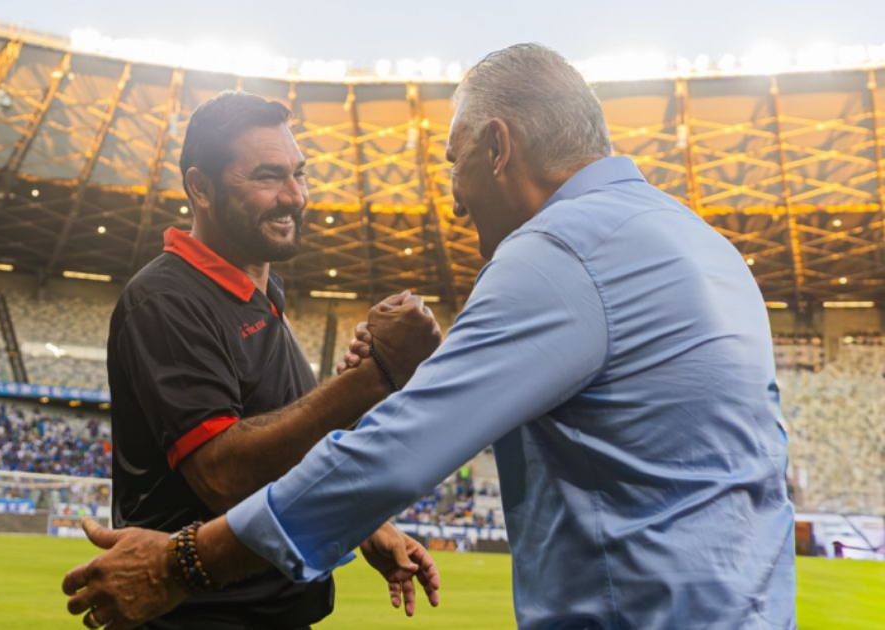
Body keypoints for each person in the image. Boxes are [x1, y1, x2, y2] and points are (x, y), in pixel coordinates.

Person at [62, 44, 796, 630]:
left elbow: (396, 451)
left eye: (455, 161)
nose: (452, 197)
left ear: (498, 146)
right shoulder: (701, 245)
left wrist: (178, 564)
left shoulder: (557, 257)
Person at [65, 91, 443, 630]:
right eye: (267, 177)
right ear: (202, 188)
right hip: (198, 617)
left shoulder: (264, 296)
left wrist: (365, 526)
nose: (295, 196)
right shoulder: (168, 298)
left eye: (300, 173)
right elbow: (223, 473)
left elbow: (290, 449)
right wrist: (372, 377)